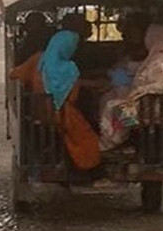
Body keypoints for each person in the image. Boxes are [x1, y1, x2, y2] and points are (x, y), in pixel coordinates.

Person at [8, 28, 101, 172]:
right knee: (89, 138)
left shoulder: (38, 59)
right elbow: (73, 98)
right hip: (62, 115)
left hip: (37, 112)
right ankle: (87, 171)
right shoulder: (70, 69)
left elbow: (14, 74)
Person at [100, 23, 163, 147]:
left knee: (111, 105)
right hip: (151, 103)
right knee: (110, 97)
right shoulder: (157, 58)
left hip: (153, 108)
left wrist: (139, 91)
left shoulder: (161, 60)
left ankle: (112, 141)